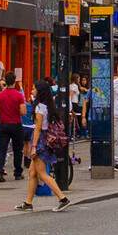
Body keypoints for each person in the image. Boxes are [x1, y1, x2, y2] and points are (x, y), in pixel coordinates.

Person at [18, 81, 73, 212]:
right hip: (45, 139)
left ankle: (63, 198)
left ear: (40, 91)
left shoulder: (39, 107)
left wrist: (34, 146)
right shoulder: (48, 106)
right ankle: (28, 202)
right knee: (32, 172)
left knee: (42, 173)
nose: (32, 90)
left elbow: (37, 129)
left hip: (40, 140)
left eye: (33, 88)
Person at [0, 71, 29, 181]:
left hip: (3, 124)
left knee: (2, 149)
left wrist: (3, 111)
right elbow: (23, 112)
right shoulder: (19, 95)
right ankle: (18, 172)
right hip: (16, 124)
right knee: (18, 149)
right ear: (14, 81)